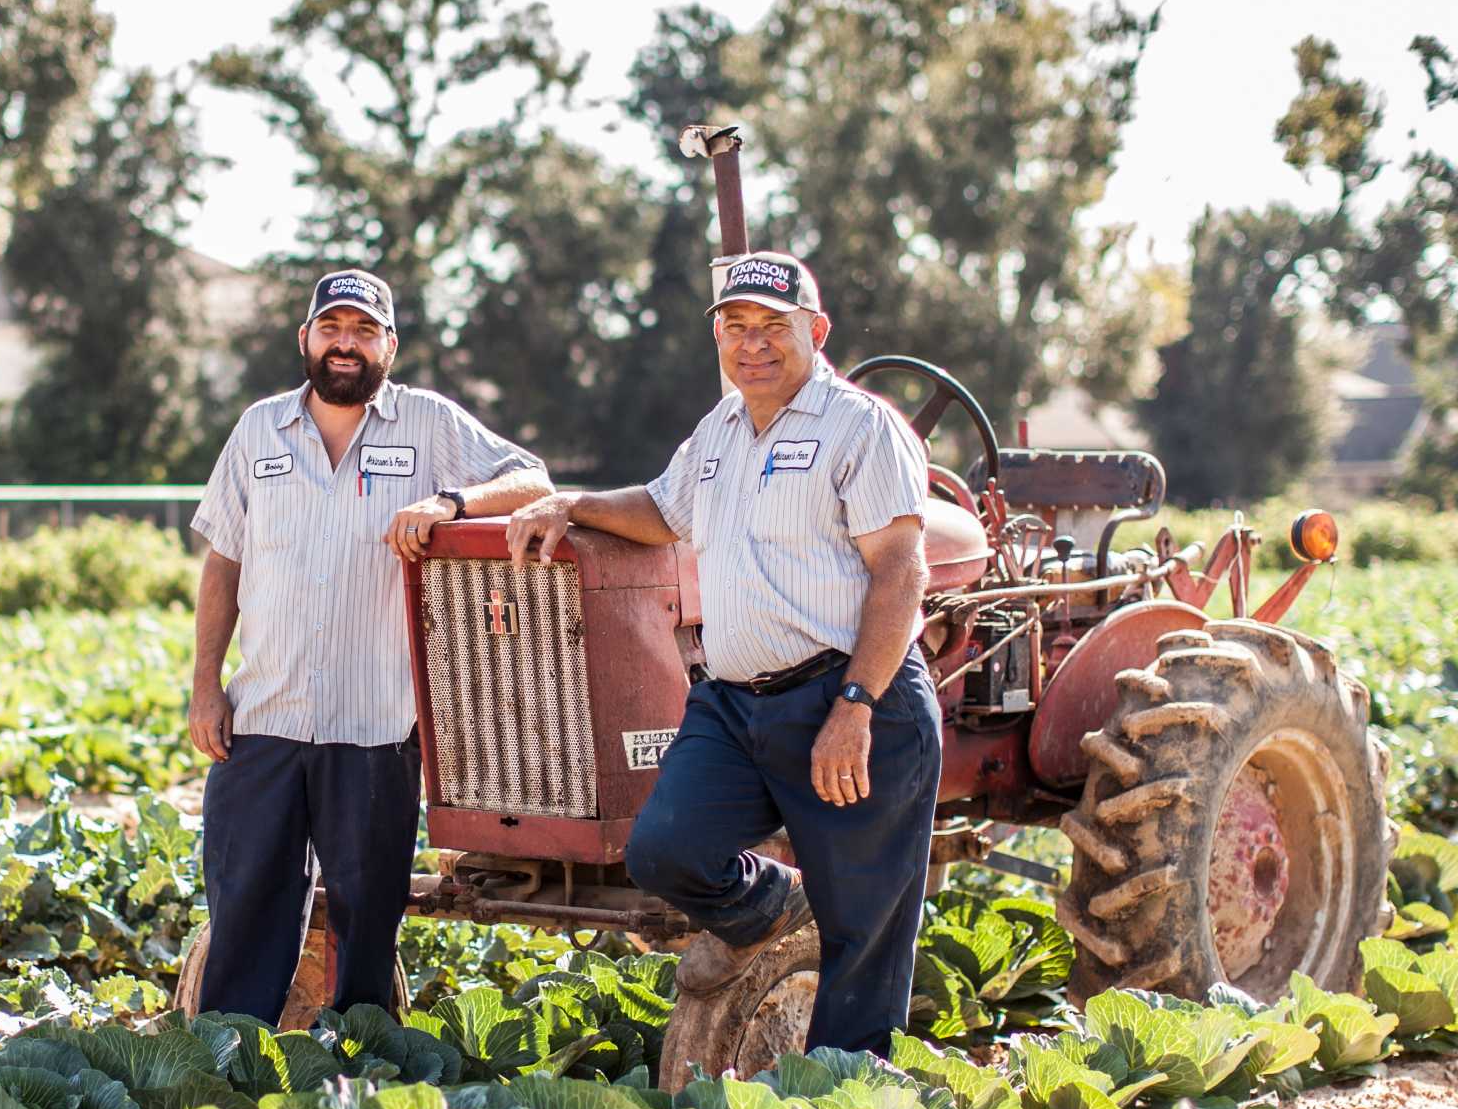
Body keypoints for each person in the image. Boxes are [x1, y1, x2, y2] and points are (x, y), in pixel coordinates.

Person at [505, 251, 939, 1056]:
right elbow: (663, 510)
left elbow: (901, 571)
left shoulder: (862, 427)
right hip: (736, 703)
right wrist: (574, 504)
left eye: (773, 326)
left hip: (842, 696)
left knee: (862, 942)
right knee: (662, 848)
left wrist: (856, 706)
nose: (753, 344)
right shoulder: (720, 429)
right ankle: (775, 906)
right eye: (735, 327)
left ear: (816, 330)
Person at [188, 269, 553, 1023]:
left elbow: (533, 478)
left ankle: (359, 1070)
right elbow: (223, 561)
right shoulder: (259, 430)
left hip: (377, 725)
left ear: (389, 344)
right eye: (332, 329)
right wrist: (204, 684)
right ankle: (230, 1067)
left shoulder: (426, 423)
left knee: (366, 916)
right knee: (245, 900)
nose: (345, 344)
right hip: (265, 716)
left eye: (362, 331)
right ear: (306, 339)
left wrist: (451, 502)